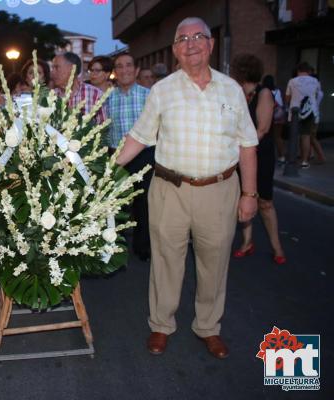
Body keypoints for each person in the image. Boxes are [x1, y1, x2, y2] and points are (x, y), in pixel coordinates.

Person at [117, 17, 258, 360]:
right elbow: (139, 136)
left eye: (198, 37)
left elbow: (248, 144)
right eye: (183, 39)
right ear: (175, 50)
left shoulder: (232, 90)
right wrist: (104, 169)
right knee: (165, 261)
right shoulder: (162, 91)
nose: (191, 43)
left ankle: (208, 327)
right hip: (169, 189)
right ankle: (161, 325)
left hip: (219, 190)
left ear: (210, 45)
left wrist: (249, 194)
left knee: (214, 263)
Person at [230, 54, 286, 265]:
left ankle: (277, 247)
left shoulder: (263, 94)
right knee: (244, 198)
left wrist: (236, 147)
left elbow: (261, 130)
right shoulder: (238, 95)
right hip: (240, 154)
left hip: (259, 155)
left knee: (265, 202)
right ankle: (247, 242)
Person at [105, 53, 151, 261]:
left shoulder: (149, 96)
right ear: (115, 72)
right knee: (118, 205)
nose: (124, 70)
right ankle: (118, 249)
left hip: (145, 156)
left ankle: (144, 248)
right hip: (117, 156)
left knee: (144, 204)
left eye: (129, 65)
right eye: (119, 66)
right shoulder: (107, 98)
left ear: (137, 70)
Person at [285, 62, 324, 168]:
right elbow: (317, 95)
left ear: (298, 70)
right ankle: (305, 161)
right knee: (306, 136)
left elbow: (287, 98)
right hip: (310, 112)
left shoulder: (292, 81)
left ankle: (291, 160)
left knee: (293, 136)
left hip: (295, 111)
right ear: (308, 71)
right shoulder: (315, 81)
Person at [51, 52, 106, 124]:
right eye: (52, 68)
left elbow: (103, 129)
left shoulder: (95, 95)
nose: (52, 72)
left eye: (57, 67)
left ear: (72, 68)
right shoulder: (51, 96)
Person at [262, 75, 287, 163]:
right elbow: (280, 103)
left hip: (268, 116)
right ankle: (282, 155)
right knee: (278, 137)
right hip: (278, 117)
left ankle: (278, 155)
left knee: (268, 136)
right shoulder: (277, 91)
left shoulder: (263, 92)